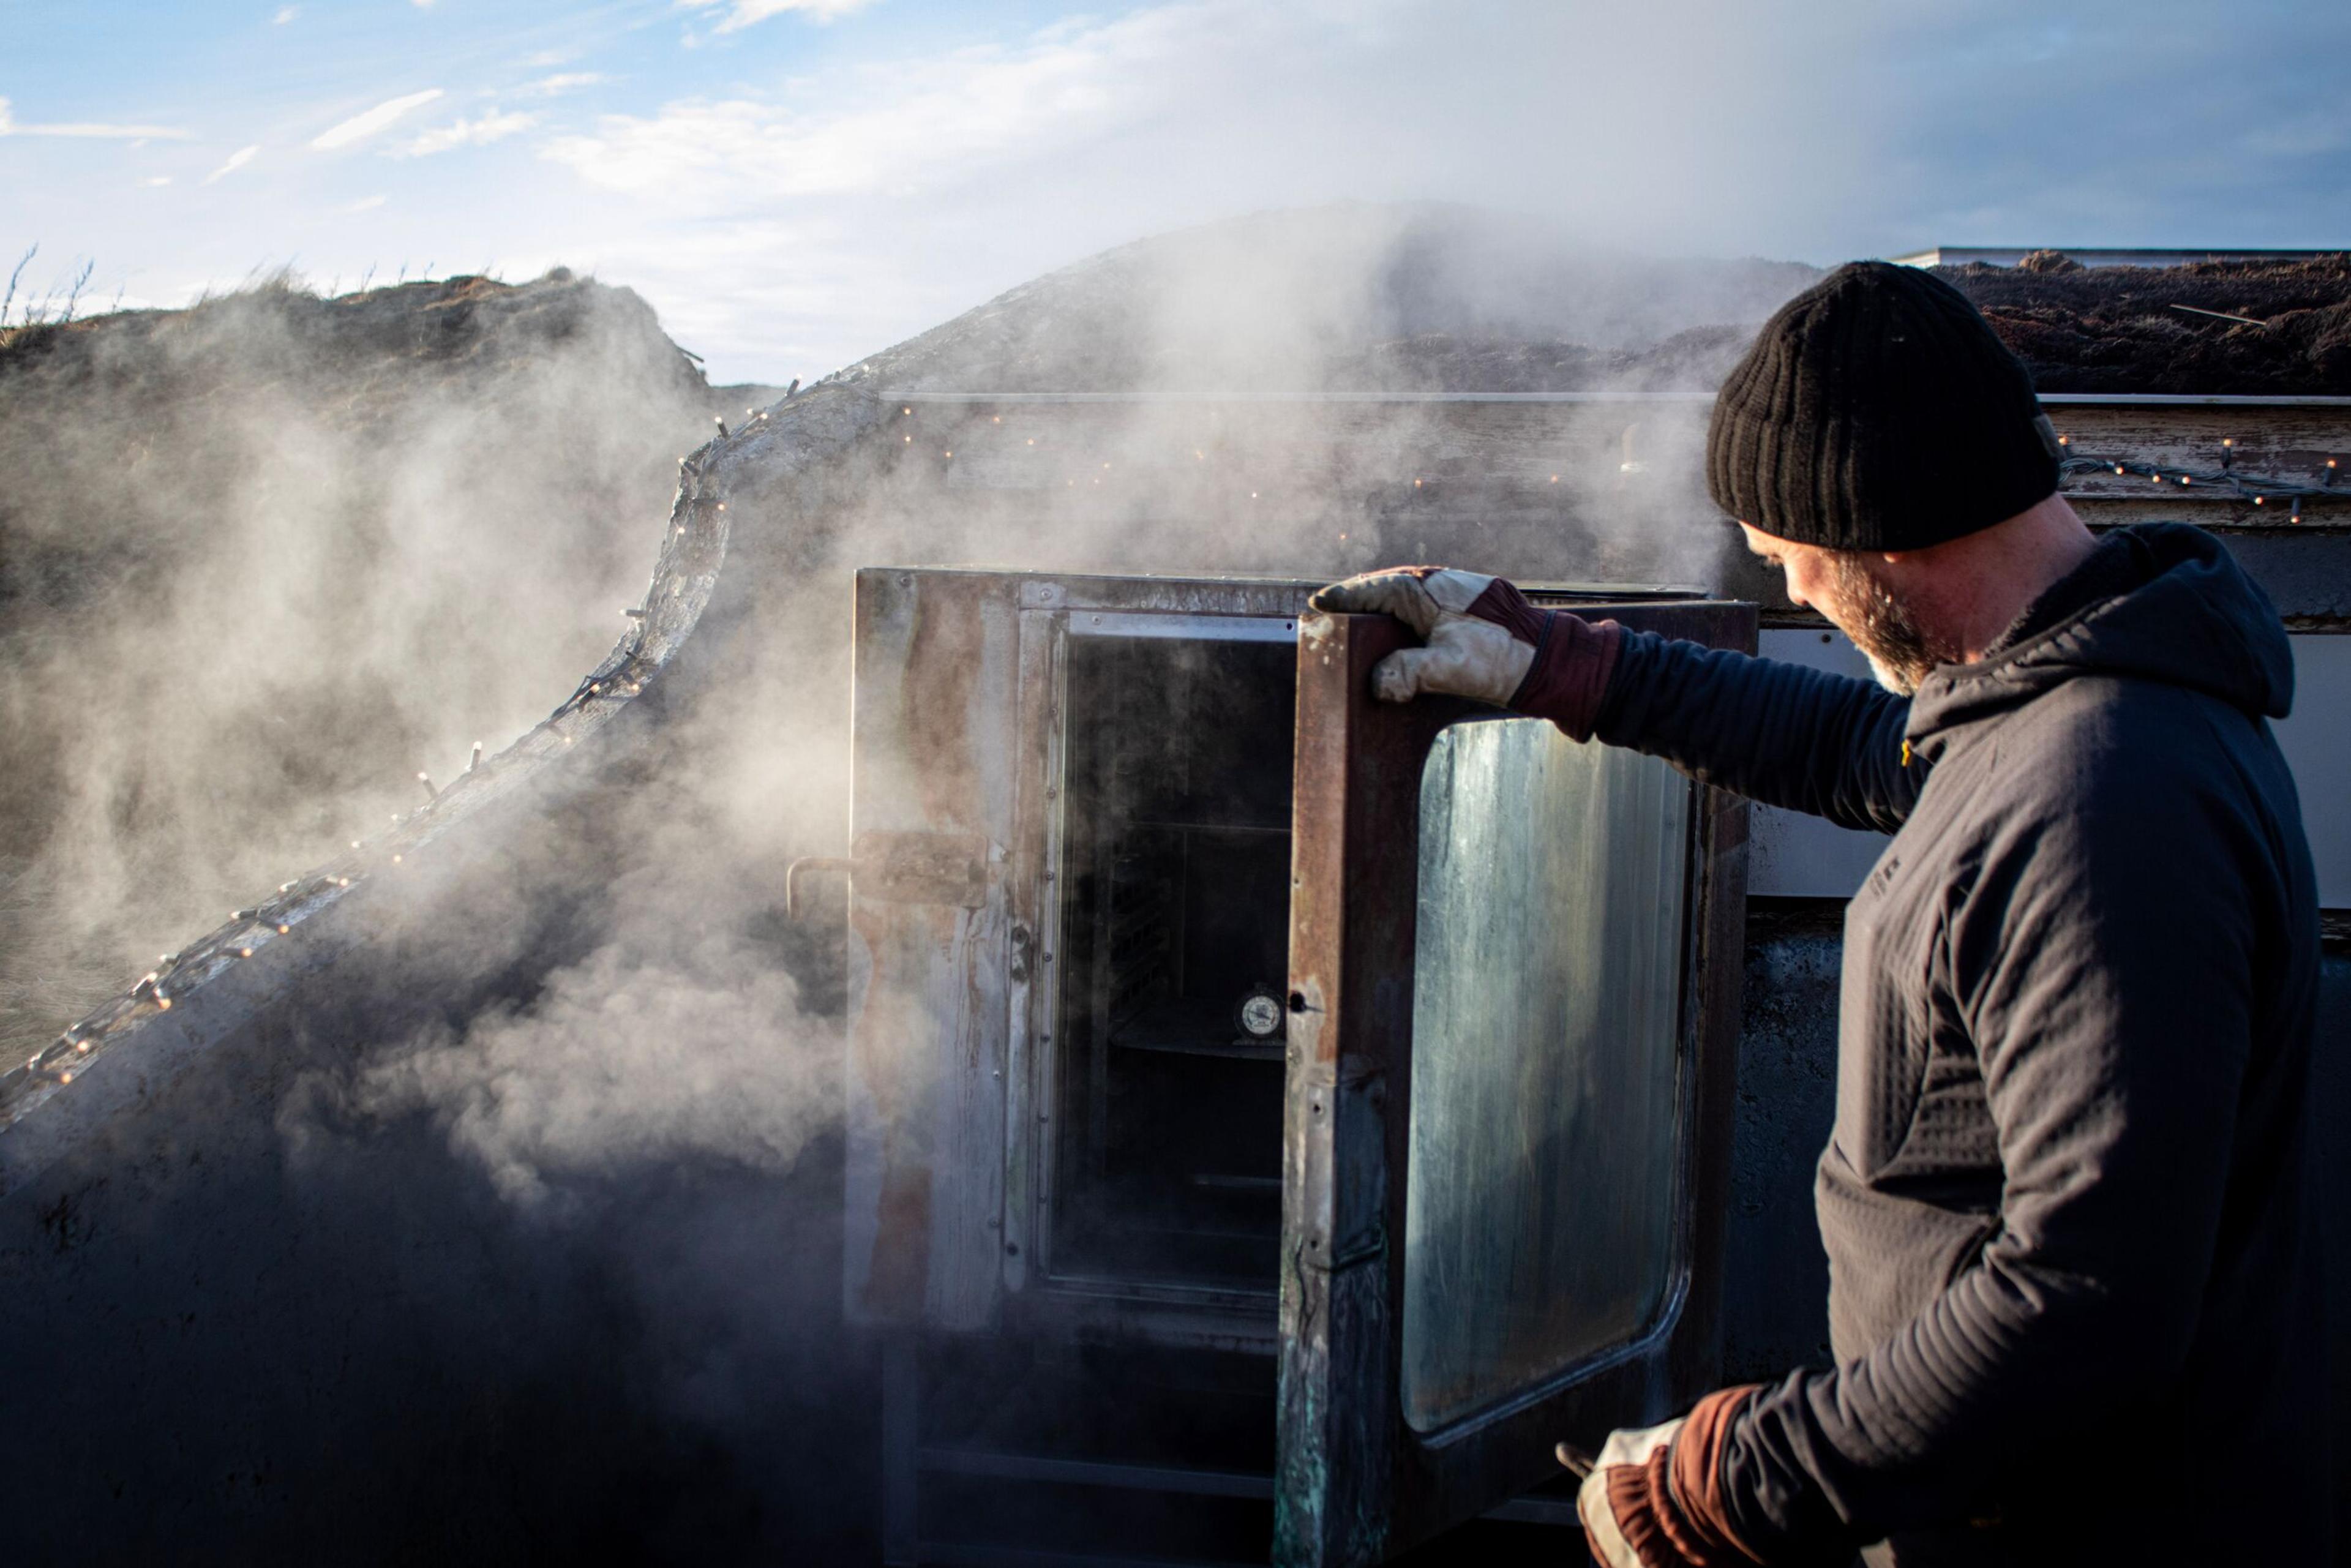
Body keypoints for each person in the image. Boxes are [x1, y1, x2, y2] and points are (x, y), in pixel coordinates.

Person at [1312, 261, 2327, 1566]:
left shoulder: (2105, 804)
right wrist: (1564, 664)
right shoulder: (2060, 716)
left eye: (1792, 559)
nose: (1792, 595)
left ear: (1885, 528)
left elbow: (2091, 1305)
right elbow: (1863, 747)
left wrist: (1725, 1484)